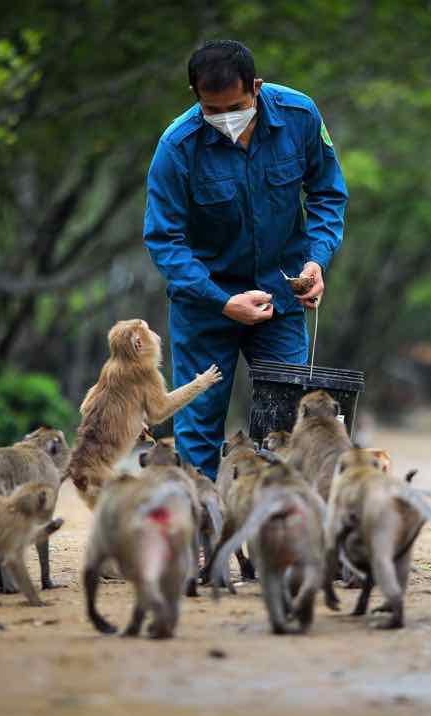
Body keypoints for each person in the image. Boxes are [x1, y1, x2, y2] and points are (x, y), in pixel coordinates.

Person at [144, 40, 347, 479]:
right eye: (211, 110)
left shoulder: (299, 115)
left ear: (256, 87)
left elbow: (328, 193)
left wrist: (316, 261)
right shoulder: (177, 146)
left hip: (281, 295)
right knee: (197, 424)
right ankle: (202, 536)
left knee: (287, 421)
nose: (224, 120)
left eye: (234, 106)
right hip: (206, 303)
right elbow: (164, 240)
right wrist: (220, 300)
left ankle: (279, 533)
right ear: (195, 96)